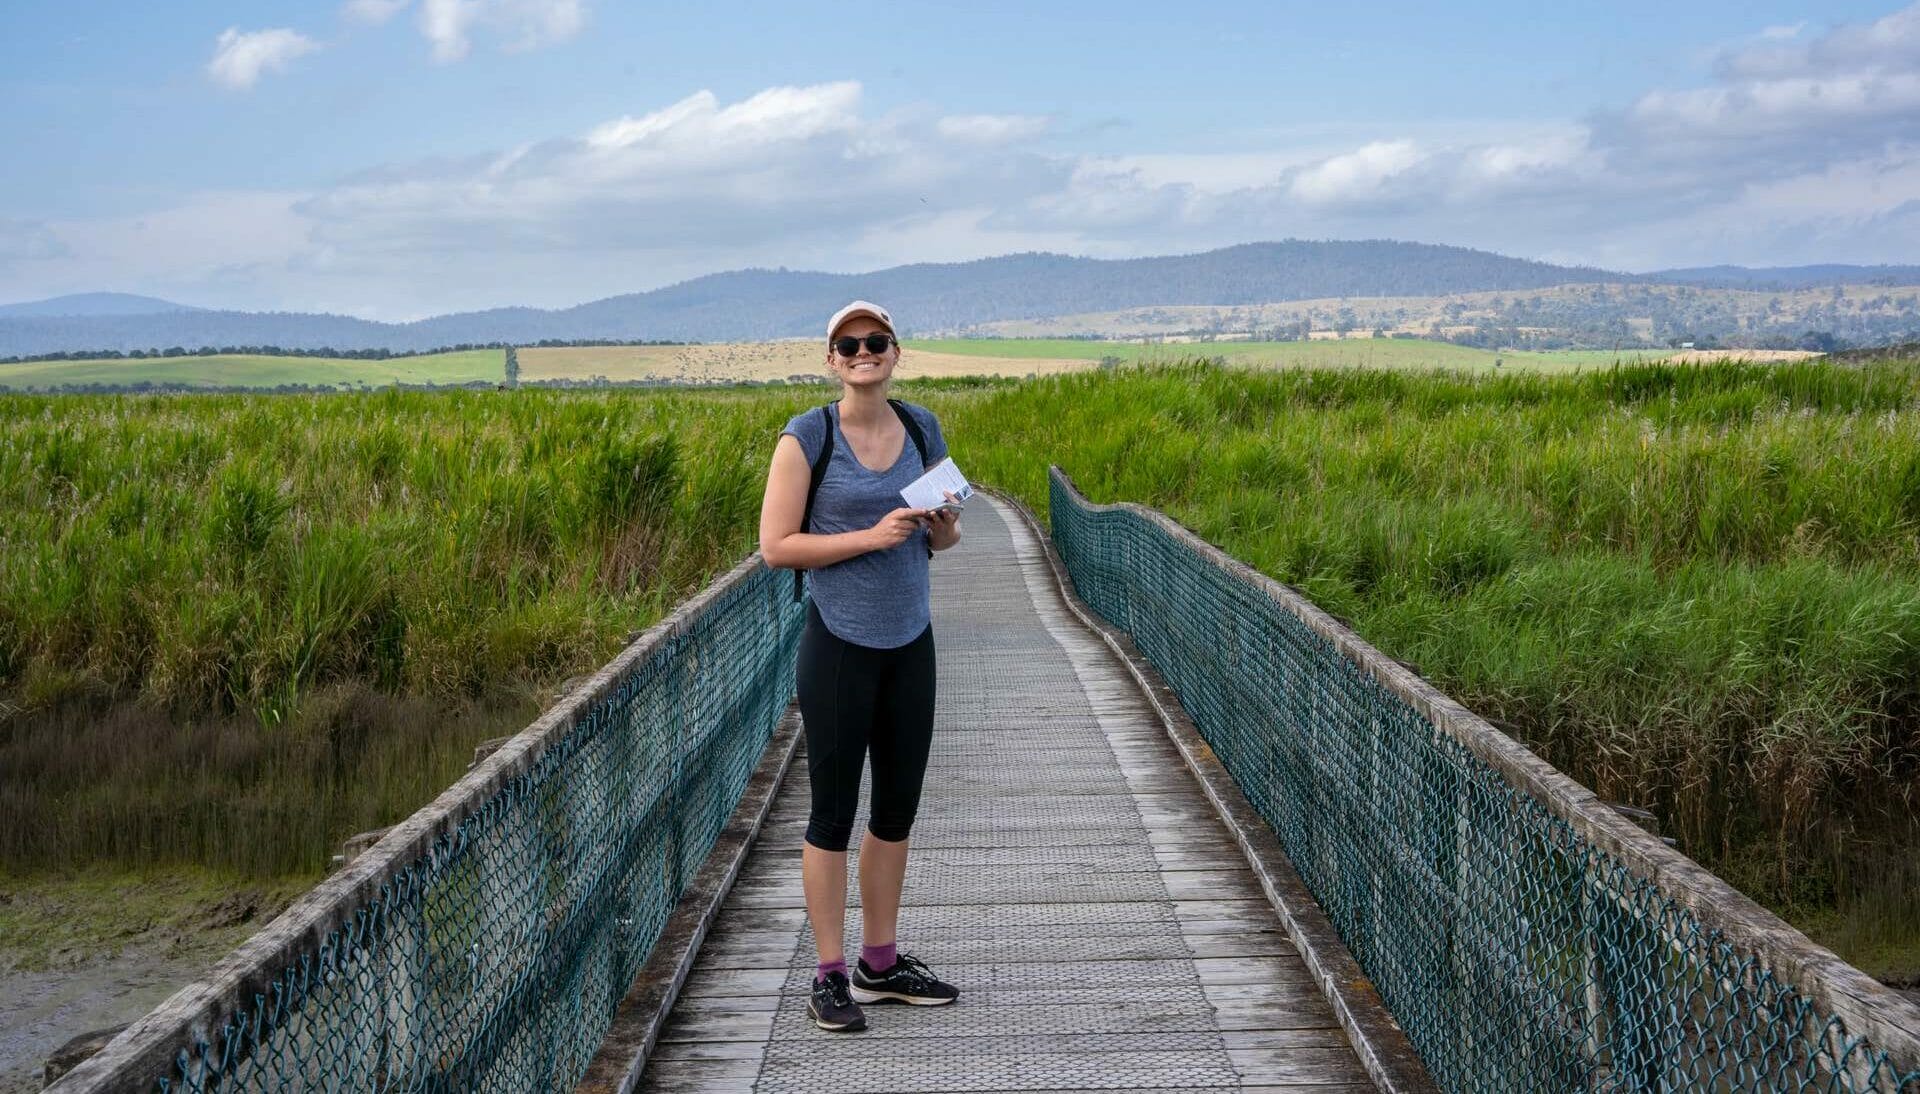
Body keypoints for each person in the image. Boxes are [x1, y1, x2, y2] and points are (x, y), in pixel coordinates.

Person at [758, 300, 963, 1033]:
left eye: (875, 341)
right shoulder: (807, 437)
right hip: (839, 643)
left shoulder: (920, 427)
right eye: (849, 345)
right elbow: (777, 547)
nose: (863, 352)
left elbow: (946, 540)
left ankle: (881, 963)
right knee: (832, 815)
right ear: (831, 359)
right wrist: (870, 538)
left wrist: (941, 530)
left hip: (912, 639)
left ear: (895, 352)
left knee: (897, 810)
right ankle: (830, 973)